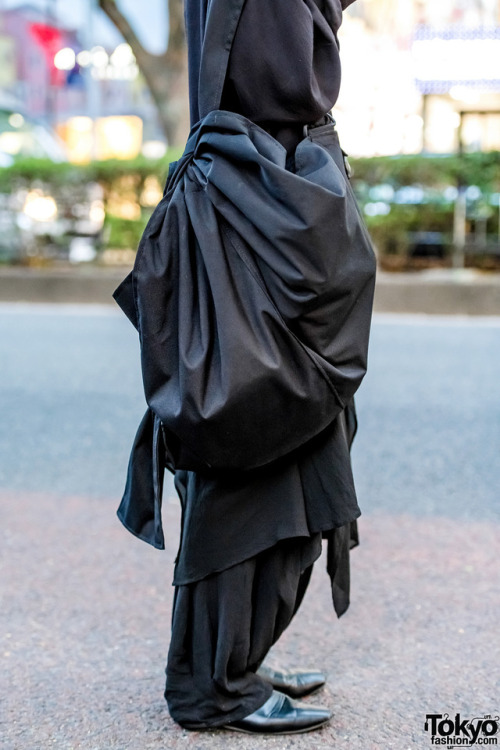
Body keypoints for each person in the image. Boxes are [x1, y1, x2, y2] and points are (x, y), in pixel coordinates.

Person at [114, 0, 375, 736]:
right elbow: (275, 79)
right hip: (261, 194)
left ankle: (234, 660)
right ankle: (211, 684)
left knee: (279, 437)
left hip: (258, 191)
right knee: (254, 439)